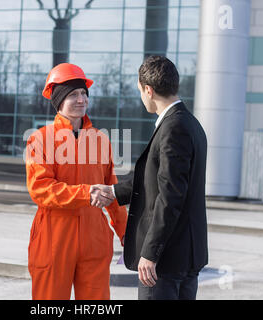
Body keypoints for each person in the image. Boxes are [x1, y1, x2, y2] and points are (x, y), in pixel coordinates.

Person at [91, 56, 208, 300]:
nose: (142, 97)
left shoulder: (172, 128)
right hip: (185, 257)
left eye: (140, 91)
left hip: (165, 262)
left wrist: (151, 253)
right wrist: (112, 192)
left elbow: (170, 197)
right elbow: (152, 177)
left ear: (149, 90)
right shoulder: (190, 123)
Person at [25, 63, 127, 300]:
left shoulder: (100, 141)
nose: (81, 99)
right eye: (73, 95)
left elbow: (111, 190)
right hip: (54, 241)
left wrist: (125, 232)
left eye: (84, 93)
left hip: (94, 239)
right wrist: (86, 193)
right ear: (58, 100)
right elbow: (40, 189)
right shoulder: (40, 139)